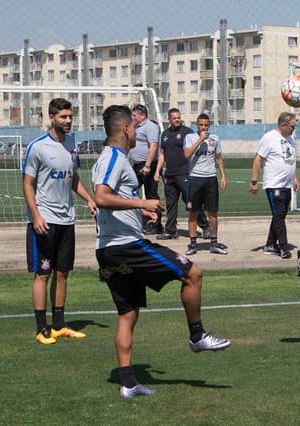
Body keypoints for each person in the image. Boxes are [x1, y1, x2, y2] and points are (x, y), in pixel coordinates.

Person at [92, 105, 231, 399]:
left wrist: (140, 214)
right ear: (126, 129)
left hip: (110, 249)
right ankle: (197, 335)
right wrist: (143, 205)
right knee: (192, 272)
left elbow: (115, 199)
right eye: (135, 127)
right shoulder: (113, 157)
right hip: (125, 248)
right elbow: (101, 196)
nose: (138, 133)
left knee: (128, 315)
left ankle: (128, 384)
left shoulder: (114, 158)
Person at [22, 97, 97, 345]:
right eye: (63, 117)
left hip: (67, 220)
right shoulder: (38, 146)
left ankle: (59, 325)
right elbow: (28, 183)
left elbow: (72, 177)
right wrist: (36, 215)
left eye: (70, 116)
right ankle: (41, 328)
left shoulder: (72, 144)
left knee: (62, 273)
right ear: (51, 117)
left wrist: (89, 199)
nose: (68, 121)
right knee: (43, 273)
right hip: (44, 220)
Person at [249, 112, 299, 259]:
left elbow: (291, 160)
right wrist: (254, 181)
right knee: (278, 216)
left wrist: (294, 177)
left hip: (287, 184)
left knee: (280, 215)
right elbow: (258, 159)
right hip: (274, 184)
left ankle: (270, 244)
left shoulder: (290, 138)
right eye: (291, 126)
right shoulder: (269, 138)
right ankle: (283, 247)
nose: (293, 129)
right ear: (283, 125)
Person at [154, 108, 209, 240]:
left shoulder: (187, 132)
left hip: (184, 173)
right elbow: (162, 154)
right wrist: (157, 171)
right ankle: (170, 230)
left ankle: (206, 227)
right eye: (174, 118)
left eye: (178, 117)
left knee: (190, 201)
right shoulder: (165, 134)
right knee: (171, 203)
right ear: (169, 119)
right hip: (169, 175)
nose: (177, 120)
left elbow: (195, 147)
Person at [183, 113, 228, 255]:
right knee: (193, 212)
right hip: (195, 179)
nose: (203, 127)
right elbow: (186, 154)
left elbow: (219, 158)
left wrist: (223, 176)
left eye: (206, 125)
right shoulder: (190, 137)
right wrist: (200, 140)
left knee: (213, 212)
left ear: (209, 125)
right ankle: (193, 244)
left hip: (210, 179)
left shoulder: (215, 139)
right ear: (197, 125)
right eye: (201, 125)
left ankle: (214, 243)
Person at [128, 104, 162, 235]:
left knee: (151, 194)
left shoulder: (150, 127)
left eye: (134, 115)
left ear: (142, 115)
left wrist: (147, 165)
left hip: (148, 165)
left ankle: (155, 225)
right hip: (137, 165)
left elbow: (153, 146)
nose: (133, 117)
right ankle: (141, 220)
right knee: (130, 190)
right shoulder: (136, 127)